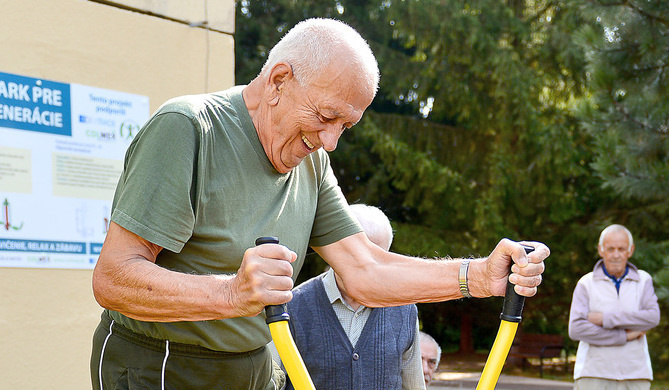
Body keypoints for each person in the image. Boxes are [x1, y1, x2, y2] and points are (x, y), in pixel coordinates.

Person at [90, 17, 550, 390]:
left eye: (345, 127)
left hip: (253, 367)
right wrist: (230, 293)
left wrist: (478, 276)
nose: (330, 141)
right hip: (166, 367)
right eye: (326, 116)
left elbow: (365, 271)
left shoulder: (309, 162)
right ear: (278, 81)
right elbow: (113, 277)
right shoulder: (188, 129)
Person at [279, 203, 424, 389]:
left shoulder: (404, 310)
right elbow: (273, 382)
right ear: (335, 250)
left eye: (377, 258)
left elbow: (414, 386)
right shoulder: (292, 305)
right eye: (359, 256)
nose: (368, 267)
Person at [568, 224, 660, 390]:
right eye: (610, 249)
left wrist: (604, 319)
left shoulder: (644, 280)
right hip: (593, 375)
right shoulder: (586, 283)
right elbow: (576, 329)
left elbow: (652, 318)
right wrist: (625, 336)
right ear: (600, 250)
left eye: (621, 249)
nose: (616, 255)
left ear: (630, 250)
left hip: (636, 375)